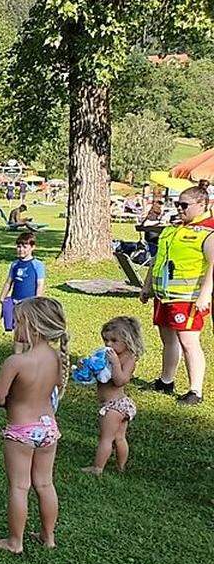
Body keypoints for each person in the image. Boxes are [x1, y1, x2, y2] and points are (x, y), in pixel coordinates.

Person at [0, 297, 68, 555]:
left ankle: (15, 541)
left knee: (20, 486)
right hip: (48, 429)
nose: (15, 326)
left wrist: (12, 401)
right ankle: (48, 536)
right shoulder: (56, 357)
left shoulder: (16, 362)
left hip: (21, 431)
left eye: (19, 321)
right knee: (45, 483)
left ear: (33, 326)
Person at [139, 185, 214, 405]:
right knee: (168, 339)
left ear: (202, 205)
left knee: (189, 341)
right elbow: (158, 260)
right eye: (177, 204)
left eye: (184, 205)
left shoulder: (207, 232)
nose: (179, 209)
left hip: (188, 297)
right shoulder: (173, 229)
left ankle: (195, 390)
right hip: (164, 296)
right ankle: (166, 380)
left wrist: (204, 295)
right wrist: (147, 285)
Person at [81, 317, 144, 476]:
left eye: (114, 340)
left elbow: (121, 380)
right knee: (119, 438)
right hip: (117, 405)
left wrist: (115, 364)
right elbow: (98, 375)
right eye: (106, 340)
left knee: (106, 438)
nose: (109, 344)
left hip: (114, 406)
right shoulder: (107, 356)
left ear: (128, 340)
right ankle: (120, 467)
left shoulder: (128, 358)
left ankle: (98, 468)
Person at [0, 232, 47, 353]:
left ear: (32, 247)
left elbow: (40, 284)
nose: (21, 249)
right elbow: (9, 282)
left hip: (30, 304)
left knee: (28, 330)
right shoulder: (15, 264)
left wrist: (37, 301)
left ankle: (27, 355)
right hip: (16, 303)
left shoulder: (37, 265)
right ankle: (17, 355)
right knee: (18, 330)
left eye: (25, 246)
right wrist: (3, 296)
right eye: (19, 246)